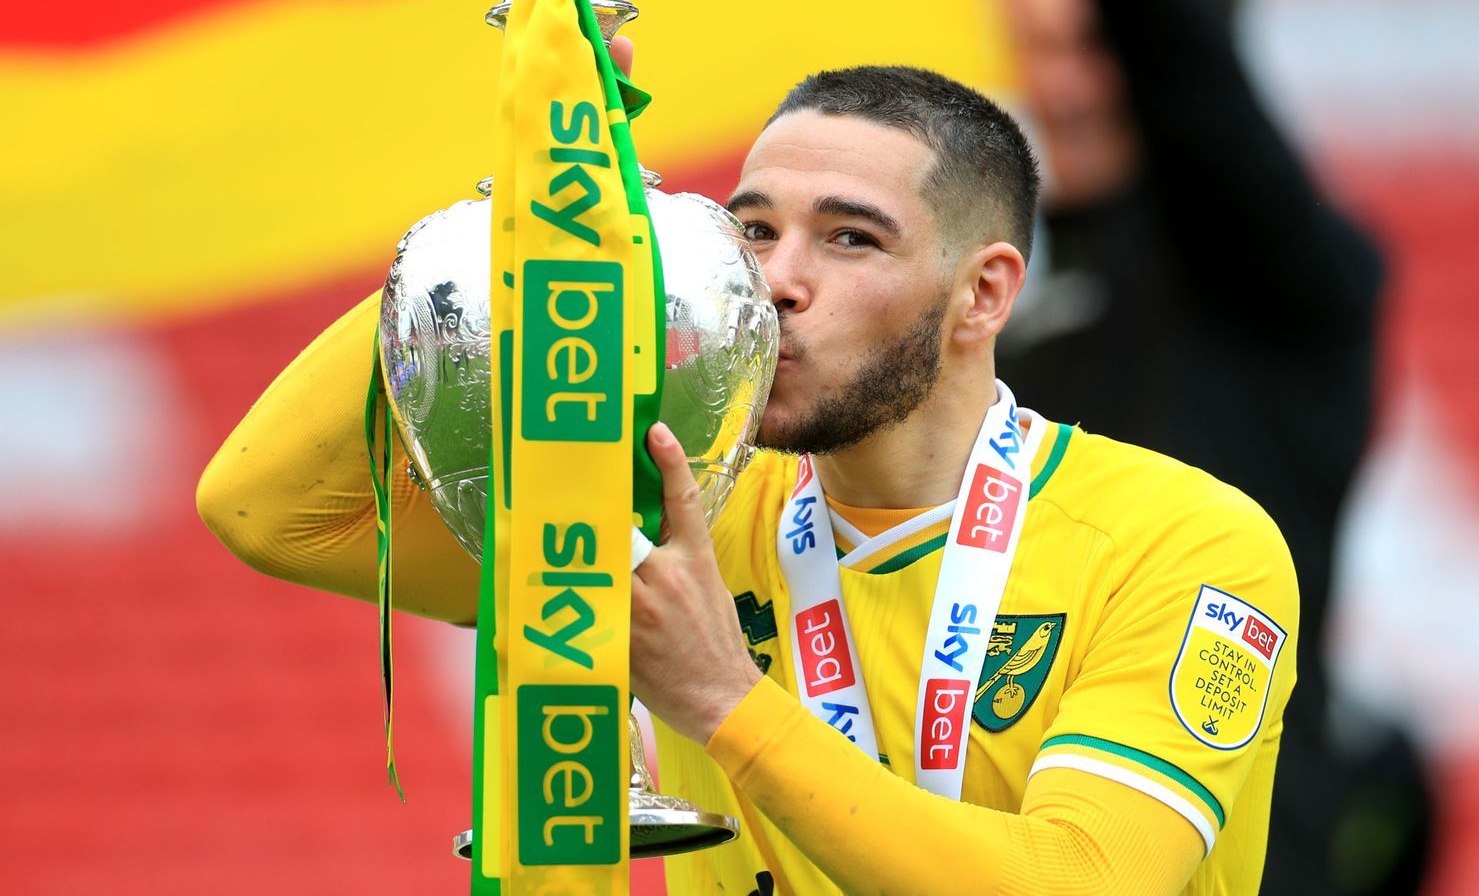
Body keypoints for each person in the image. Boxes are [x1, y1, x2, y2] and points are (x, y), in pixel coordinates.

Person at [199, 63, 1297, 894]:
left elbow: (1084, 882)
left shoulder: (1183, 542)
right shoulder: (680, 514)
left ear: (983, 294)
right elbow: (277, 513)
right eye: (752, 230)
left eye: (850, 239)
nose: (774, 280)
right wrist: (530, 219)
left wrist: (726, 702)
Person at [995, 0, 1431, 891]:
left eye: (1093, 49)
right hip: (1035, 841)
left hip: (1240, 849)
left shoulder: (1274, 280)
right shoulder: (1008, 321)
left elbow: (1192, 88)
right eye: (1036, 49)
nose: (1064, 89)